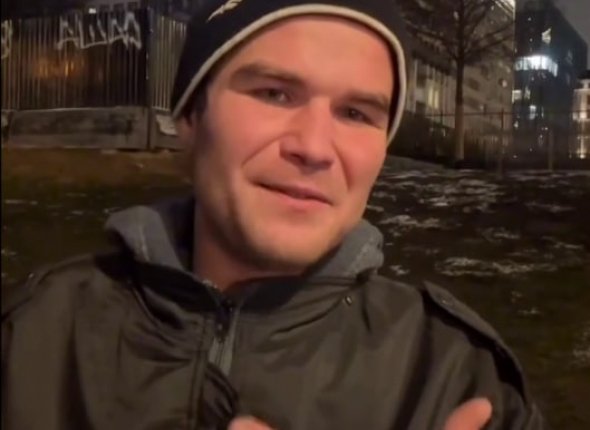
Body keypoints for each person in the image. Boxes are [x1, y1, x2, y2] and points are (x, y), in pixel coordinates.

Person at [2, 0, 545, 428]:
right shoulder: (31, 343)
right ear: (189, 118)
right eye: (275, 94)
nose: (314, 147)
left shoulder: (454, 379)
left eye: (356, 113)